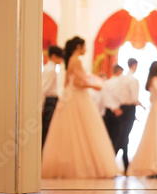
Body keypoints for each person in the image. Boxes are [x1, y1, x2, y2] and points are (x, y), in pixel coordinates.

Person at [41, 36, 118, 178]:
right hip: (77, 97)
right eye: (84, 46)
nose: (86, 49)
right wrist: (94, 85)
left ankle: (69, 165)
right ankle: (85, 167)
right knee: (84, 130)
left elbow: (70, 82)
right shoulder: (76, 60)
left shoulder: (71, 61)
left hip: (72, 97)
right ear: (78, 47)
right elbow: (77, 83)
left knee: (72, 132)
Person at [113, 58, 141, 174]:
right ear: (134, 65)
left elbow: (116, 94)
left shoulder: (121, 79)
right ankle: (111, 160)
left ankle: (126, 166)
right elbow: (134, 98)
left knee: (124, 137)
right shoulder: (133, 80)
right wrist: (141, 105)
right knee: (122, 138)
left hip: (122, 108)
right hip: (129, 109)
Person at [41, 45, 63, 149]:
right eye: (60, 57)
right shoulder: (50, 70)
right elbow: (43, 89)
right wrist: (40, 107)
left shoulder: (51, 68)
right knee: (47, 128)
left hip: (51, 100)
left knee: (48, 127)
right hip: (50, 101)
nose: (61, 60)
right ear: (54, 56)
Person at [102, 64, 124, 145]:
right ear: (119, 72)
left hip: (107, 110)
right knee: (116, 136)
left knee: (107, 135)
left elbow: (104, 98)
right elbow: (120, 97)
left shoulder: (106, 83)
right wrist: (115, 107)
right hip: (117, 110)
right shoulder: (120, 83)